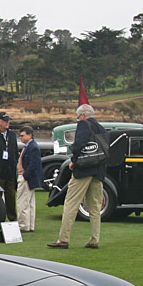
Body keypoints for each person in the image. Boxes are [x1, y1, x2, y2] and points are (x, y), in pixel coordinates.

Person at [49, 104, 107, 249]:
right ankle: (94, 240)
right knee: (95, 207)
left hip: (83, 170)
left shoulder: (83, 125)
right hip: (98, 170)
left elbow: (78, 144)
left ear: (82, 115)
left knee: (71, 204)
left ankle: (63, 239)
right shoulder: (101, 128)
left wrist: (74, 160)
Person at [17, 126, 43, 233]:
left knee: (22, 202)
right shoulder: (29, 146)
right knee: (30, 203)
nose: (21, 138)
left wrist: (25, 176)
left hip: (26, 178)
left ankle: (23, 225)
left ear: (30, 135)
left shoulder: (33, 147)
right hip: (27, 177)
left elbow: (34, 164)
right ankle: (30, 225)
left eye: (23, 135)